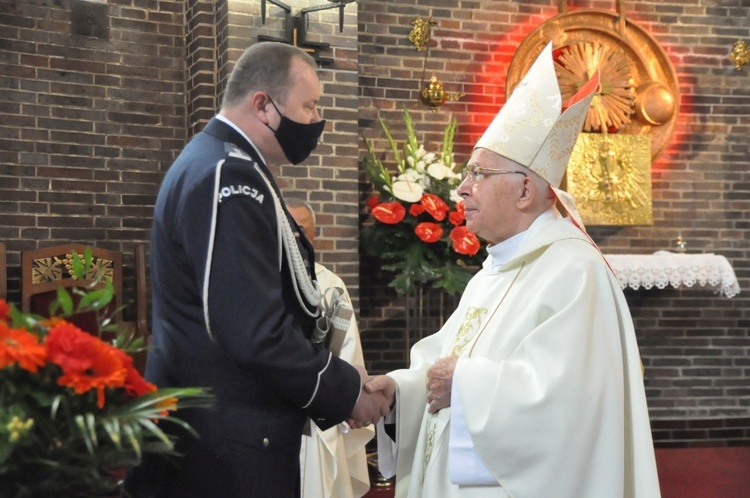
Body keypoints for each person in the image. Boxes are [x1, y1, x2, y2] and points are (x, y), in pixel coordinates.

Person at [365, 42, 661, 497]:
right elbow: (449, 359)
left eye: (478, 174)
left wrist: (464, 385)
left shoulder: (574, 271)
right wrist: (399, 391)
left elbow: (569, 406)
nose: (462, 189)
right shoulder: (494, 270)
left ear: (525, 191)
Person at [124, 41, 389, 498]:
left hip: (211, 426)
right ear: (263, 106)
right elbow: (253, 329)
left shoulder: (219, 160)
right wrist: (345, 390)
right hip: (225, 442)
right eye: (309, 105)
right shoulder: (231, 175)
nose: (316, 120)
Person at [286, 198, 375, 498]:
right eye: (289, 230)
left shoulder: (331, 284)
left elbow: (346, 347)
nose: (296, 237)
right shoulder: (261, 280)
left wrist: (345, 398)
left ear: (314, 236)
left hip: (319, 410)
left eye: (302, 231)